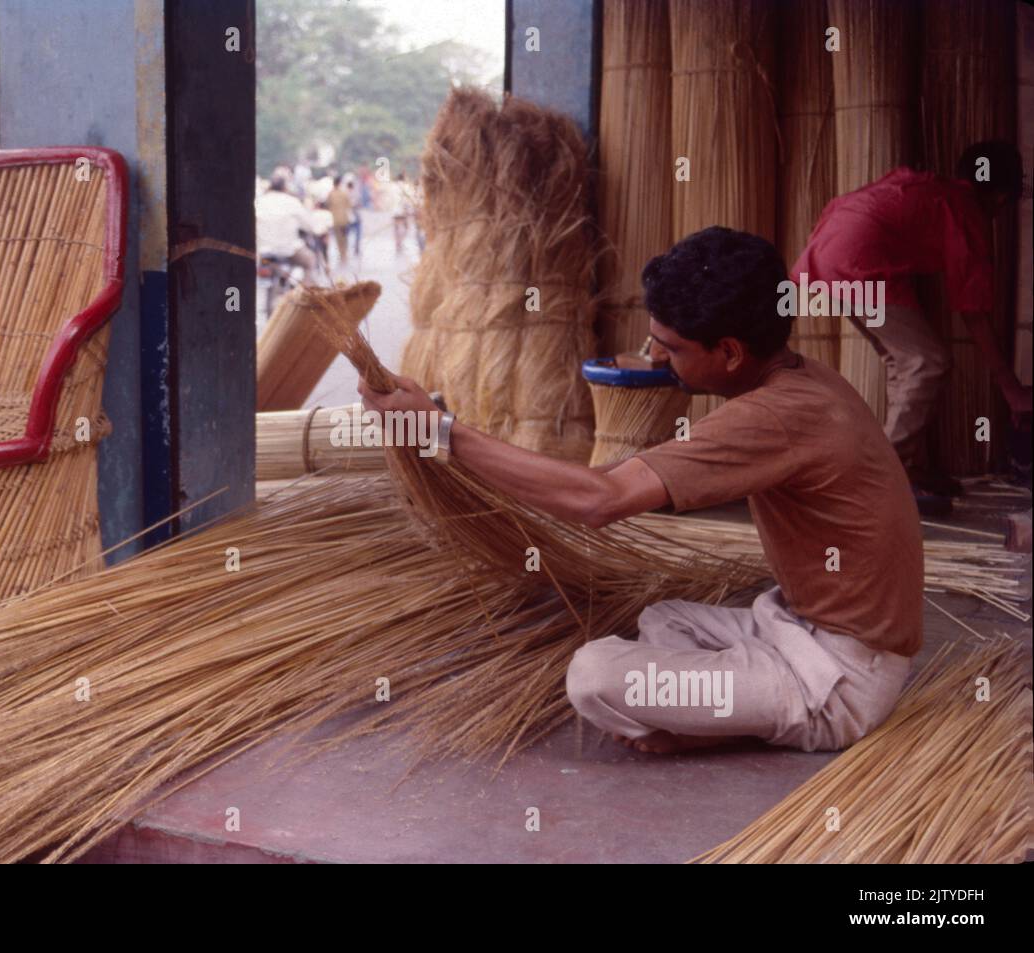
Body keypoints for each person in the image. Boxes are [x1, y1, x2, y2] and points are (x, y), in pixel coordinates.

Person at [360, 226, 922, 755]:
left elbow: (599, 500)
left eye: (671, 348)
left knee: (594, 677)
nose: (655, 357)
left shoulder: (775, 417)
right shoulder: (804, 379)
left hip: (840, 679)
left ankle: (744, 720)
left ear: (729, 352)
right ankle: (721, 712)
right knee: (663, 620)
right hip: (796, 628)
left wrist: (440, 430)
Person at [793, 140, 1031, 511]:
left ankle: (909, 468)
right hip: (858, 259)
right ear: (1001, 199)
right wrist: (1010, 387)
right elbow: (973, 312)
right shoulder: (965, 212)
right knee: (928, 362)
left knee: (904, 362)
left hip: (829, 252)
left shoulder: (935, 192)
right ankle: (882, 475)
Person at [254, 174, 317, 277]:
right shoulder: (292, 201)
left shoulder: (259, 202)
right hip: (288, 250)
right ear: (285, 187)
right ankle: (306, 292)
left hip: (263, 251)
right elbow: (309, 225)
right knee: (310, 261)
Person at [326, 175, 353, 267]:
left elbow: (328, 206)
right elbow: (349, 206)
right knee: (344, 238)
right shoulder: (344, 194)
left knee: (338, 238)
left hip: (335, 219)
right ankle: (344, 254)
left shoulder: (330, 194)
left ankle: (341, 254)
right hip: (344, 219)